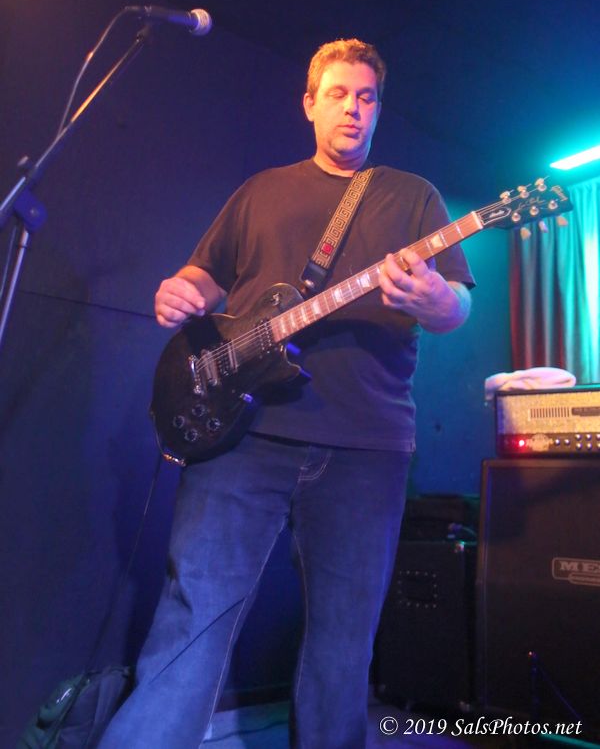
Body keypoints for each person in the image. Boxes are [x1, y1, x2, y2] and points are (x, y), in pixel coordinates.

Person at [99, 38, 474, 749]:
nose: (353, 109)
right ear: (309, 103)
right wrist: (181, 289)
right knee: (193, 616)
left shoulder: (414, 196)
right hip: (241, 436)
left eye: (367, 98)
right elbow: (206, 274)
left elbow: (457, 305)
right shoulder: (261, 191)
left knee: (344, 641)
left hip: (366, 447)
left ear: (378, 110)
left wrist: (435, 299)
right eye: (338, 94)